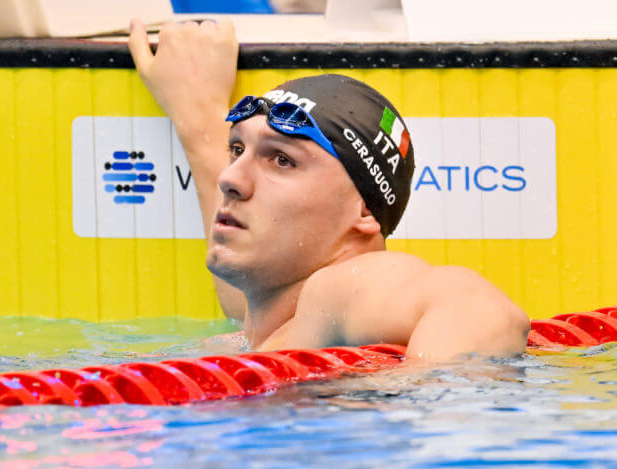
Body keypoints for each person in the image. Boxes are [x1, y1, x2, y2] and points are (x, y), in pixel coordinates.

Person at [128, 18, 530, 361]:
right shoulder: (277, 320)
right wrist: (197, 115)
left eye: (282, 160)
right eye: (236, 149)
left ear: (363, 213)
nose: (229, 179)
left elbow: (477, 309)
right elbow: (246, 300)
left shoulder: (335, 292)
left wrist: (417, 414)